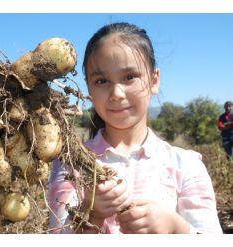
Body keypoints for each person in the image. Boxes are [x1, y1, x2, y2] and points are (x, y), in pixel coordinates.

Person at [49, 22, 222, 234]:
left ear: (154, 80)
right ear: (89, 89)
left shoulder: (185, 165)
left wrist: (176, 228)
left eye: (129, 77)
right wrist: (91, 213)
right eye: (101, 80)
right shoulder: (69, 165)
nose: (116, 93)